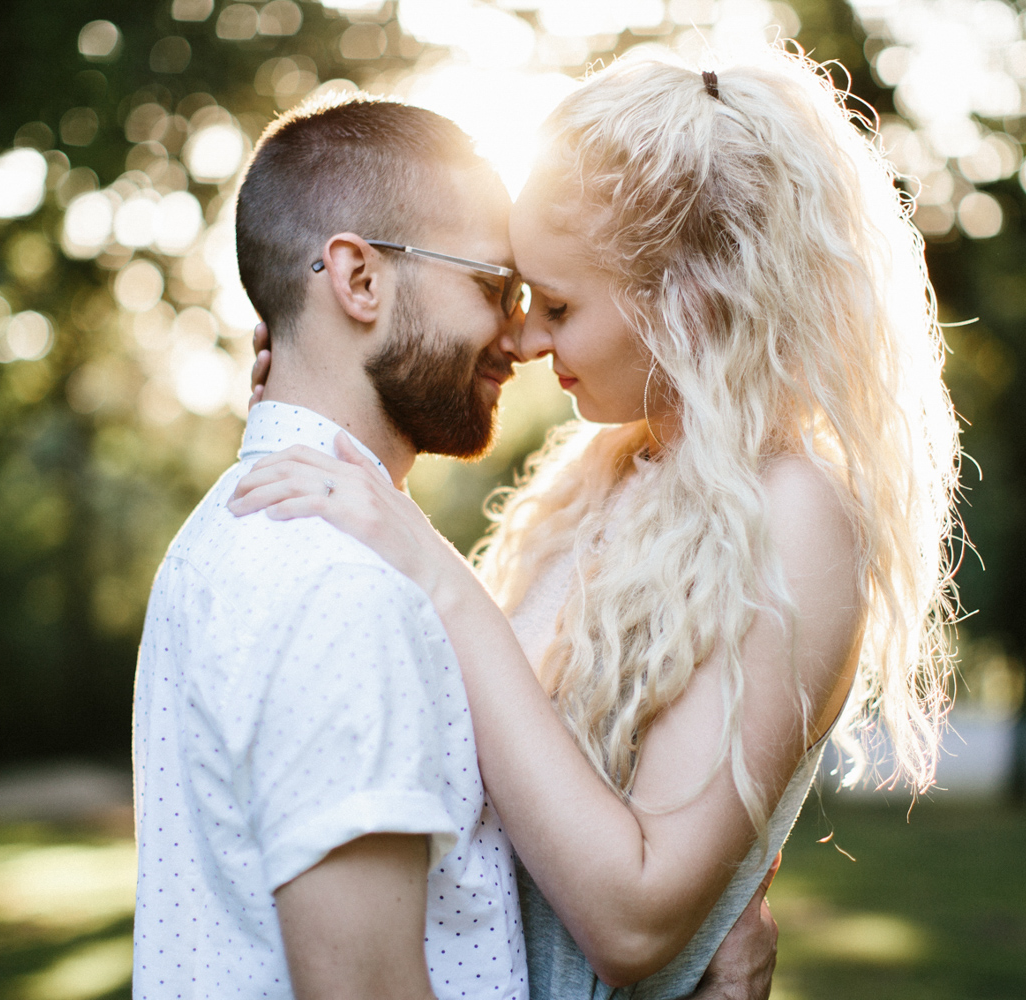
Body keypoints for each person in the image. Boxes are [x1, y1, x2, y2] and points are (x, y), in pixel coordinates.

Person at [232, 50, 960, 1000]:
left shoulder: (797, 511)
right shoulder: (608, 473)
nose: (525, 339)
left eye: (559, 305)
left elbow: (633, 918)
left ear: (690, 300)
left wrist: (440, 574)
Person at [134, 93, 780, 1000]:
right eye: (493, 287)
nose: (517, 339)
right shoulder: (339, 587)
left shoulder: (231, 534)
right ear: (360, 281)